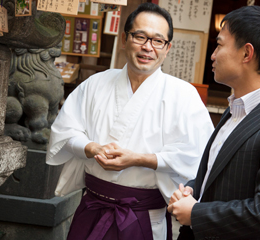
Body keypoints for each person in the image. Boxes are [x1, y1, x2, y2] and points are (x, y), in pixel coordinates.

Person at [46, 3, 214, 240]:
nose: (148, 47)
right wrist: (91, 148)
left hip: (145, 215)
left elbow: (198, 156)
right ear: (124, 39)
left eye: (158, 41)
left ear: (167, 48)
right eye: (140, 36)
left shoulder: (183, 95)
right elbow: (64, 131)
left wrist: (140, 159)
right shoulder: (95, 84)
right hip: (93, 207)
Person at [168, 5, 260, 240]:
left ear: (247, 54)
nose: (213, 55)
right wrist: (192, 189)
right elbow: (218, 177)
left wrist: (196, 213)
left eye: (220, 44)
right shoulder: (235, 109)